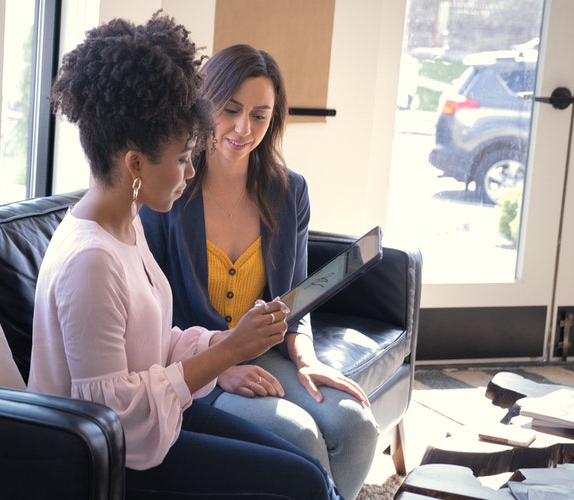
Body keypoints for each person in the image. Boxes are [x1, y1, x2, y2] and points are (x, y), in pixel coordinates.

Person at [27, 14, 342, 499]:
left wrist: (226, 340)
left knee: (309, 475)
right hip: (107, 457)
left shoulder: (124, 224)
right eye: (181, 158)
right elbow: (116, 416)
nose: (190, 170)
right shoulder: (91, 261)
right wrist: (228, 353)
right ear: (135, 163)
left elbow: (150, 346)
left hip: (159, 418)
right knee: (301, 485)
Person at [140, 44, 378, 499]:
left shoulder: (289, 192)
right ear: (204, 102)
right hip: (198, 363)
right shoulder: (168, 189)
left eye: (260, 115)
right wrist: (217, 364)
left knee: (357, 425)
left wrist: (306, 357)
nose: (242, 128)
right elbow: (150, 316)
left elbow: (296, 300)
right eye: (230, 109)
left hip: (267, 354)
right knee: (300, 437)